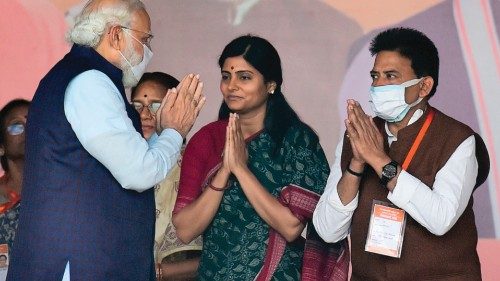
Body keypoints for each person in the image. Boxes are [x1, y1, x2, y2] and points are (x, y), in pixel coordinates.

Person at [7, 0, 205, 280]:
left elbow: (117, 163)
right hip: (81, 262)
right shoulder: (91, 82)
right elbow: (138, 172)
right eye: (145, 39)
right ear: (115, 34)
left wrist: (162, 132)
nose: (148, 50)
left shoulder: (73, 75)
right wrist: (175, 131)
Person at [313, 27, 490, 280]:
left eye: (391, 76)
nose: (378, 85)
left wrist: (379, 159)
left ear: (423, 86)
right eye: (375, 76)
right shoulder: (359, 134)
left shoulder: (458, 139)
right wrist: (357, 162)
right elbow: (328, 231)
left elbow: (440, 219)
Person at [172, 35, 348, 281]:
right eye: (226, 76)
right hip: (215, 274)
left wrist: (241, 170)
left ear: (270, 84)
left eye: (244, 77)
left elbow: (290, 227)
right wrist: (225, 171)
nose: (232, 86)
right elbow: (185, 229)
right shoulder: (206, 140)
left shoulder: (296, 141)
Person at [130, 72, 202, 281]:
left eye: (155, 106)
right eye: (137, 106)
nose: (145, 114)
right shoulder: (121, 163)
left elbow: (215, 248)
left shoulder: (195, 163)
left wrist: (156, 272)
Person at [0, 99, 30, 280]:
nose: (27, 129)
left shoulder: (67, 190)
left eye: (33, 121)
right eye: (15, 126)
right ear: (1, 147)